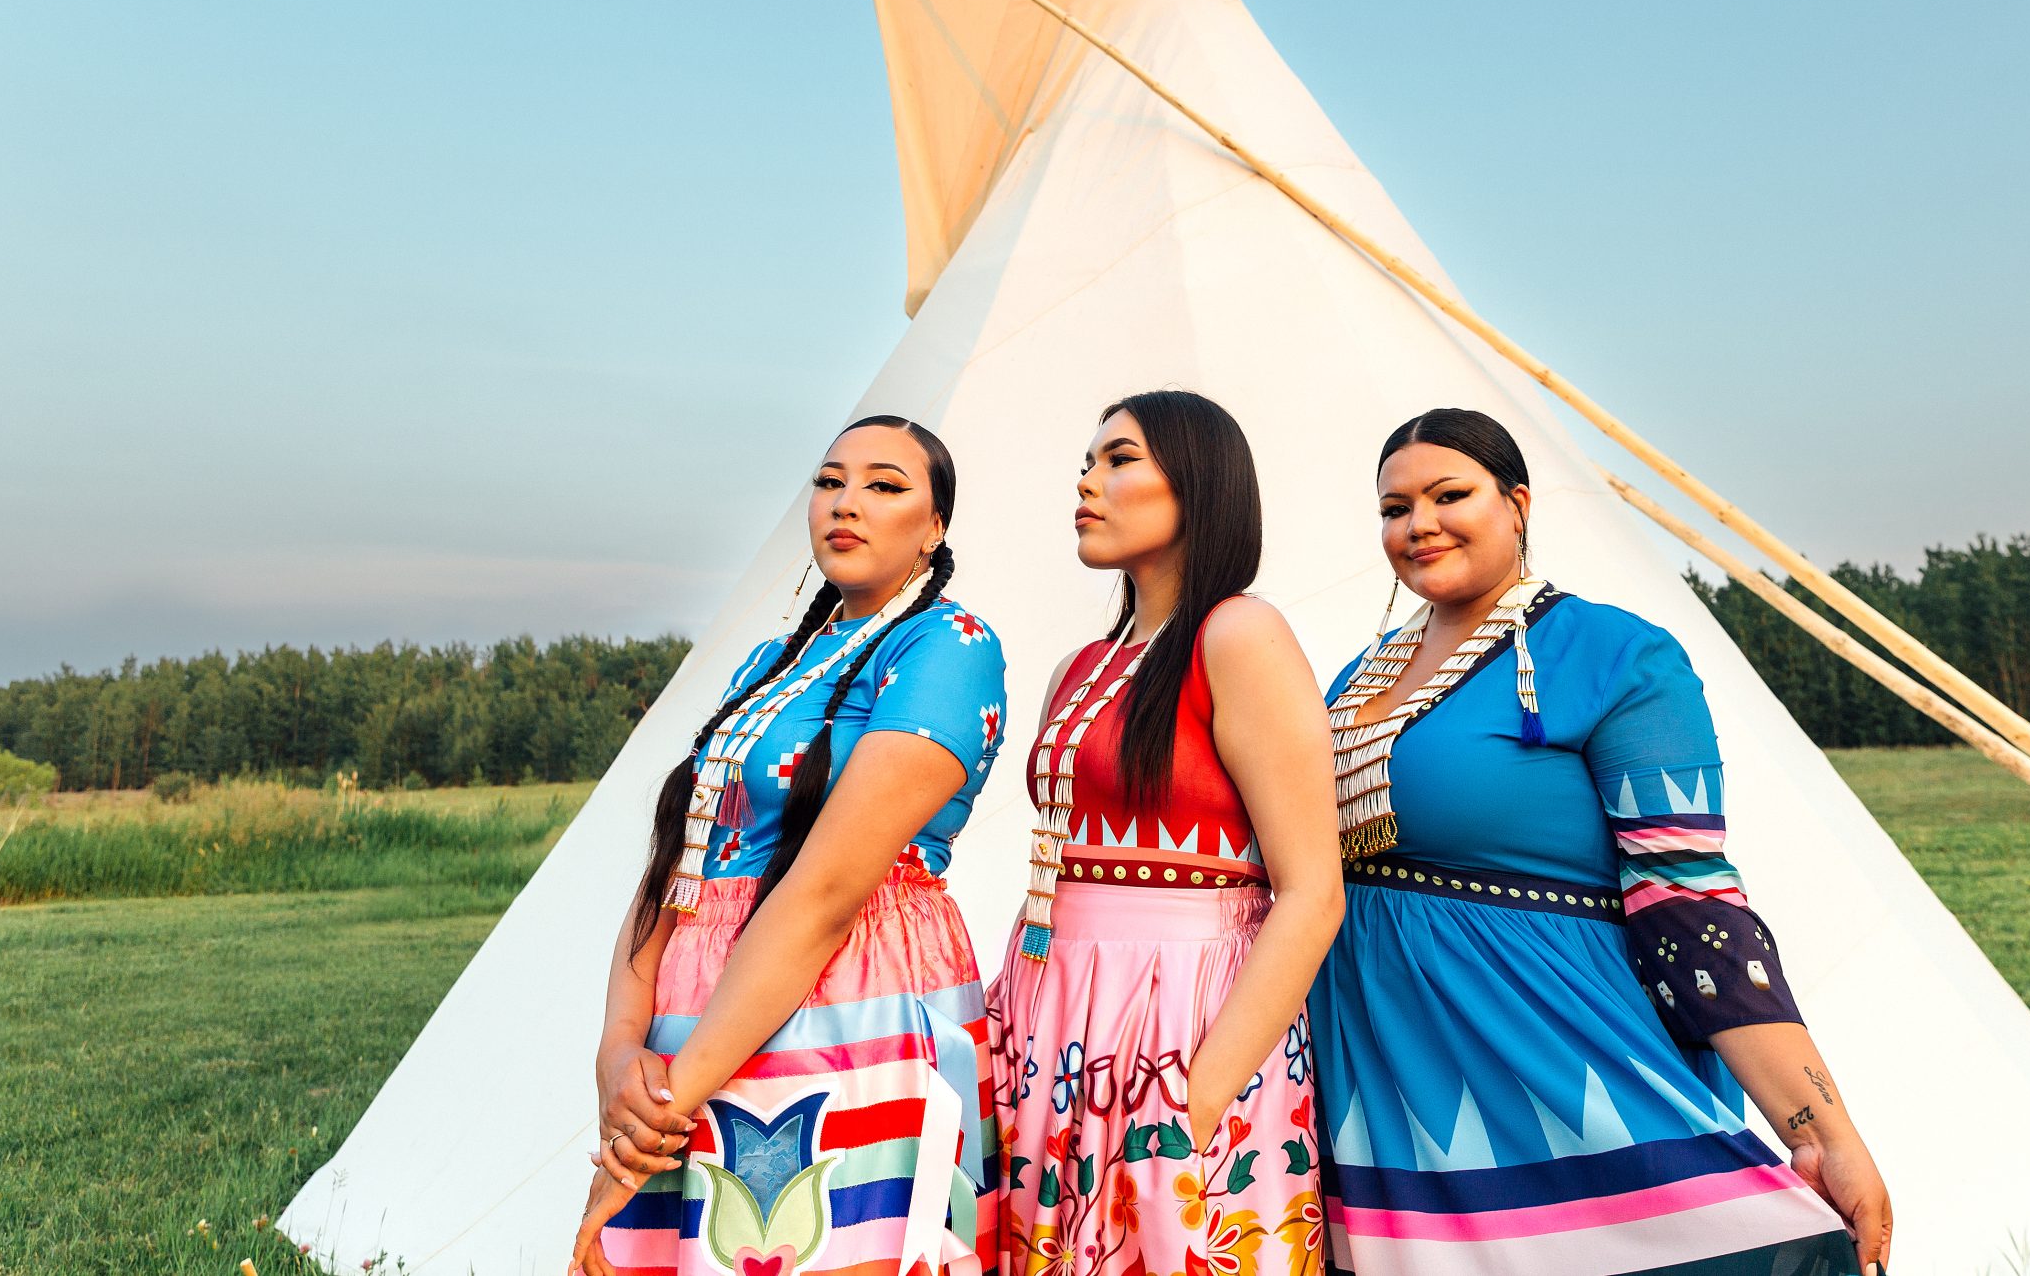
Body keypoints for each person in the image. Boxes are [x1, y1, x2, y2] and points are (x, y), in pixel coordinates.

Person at [1307, 408, 1893, 1276]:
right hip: (1386, 1081)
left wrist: (1822, 1127)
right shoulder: (1359, 675)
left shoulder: (1617, 657)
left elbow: (1692, 900)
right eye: (1395, 508)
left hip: (1550, 1059)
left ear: (1517, 502)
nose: (1418, 524)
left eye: (1447, 494)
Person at [571, 415, 1009, 1276]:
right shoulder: (772, 660)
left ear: (935, 527)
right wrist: (620, 1046)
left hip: (846, 1004)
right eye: (829, 480)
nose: (846, 502)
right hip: (695, 1022)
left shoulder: (949, 646)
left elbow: (825, 892)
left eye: (885, 485)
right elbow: (684, 853)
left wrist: (658, 1116)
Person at [987, 390, 1343, 1276]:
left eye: (1119, 459)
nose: (1087, 479)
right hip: (1055, 1017)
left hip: (1186, 1017)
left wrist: (1193, 1097)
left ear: (1196, 481)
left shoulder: (1240, 633)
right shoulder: (1082, 665)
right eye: (1087, 460)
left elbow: (1311, 891)